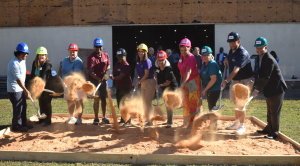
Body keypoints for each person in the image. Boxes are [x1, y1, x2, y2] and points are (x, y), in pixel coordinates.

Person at [252, 37, 287, 139]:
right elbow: (260, 74)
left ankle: (274, 132)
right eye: (257, 48)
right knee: (269, 110)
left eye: (260, 48)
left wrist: (257, 89)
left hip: (276, 89)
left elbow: (266, 76)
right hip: (269, 89)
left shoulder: (268, 59)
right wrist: (254, 84)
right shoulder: (260, 57)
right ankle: (268, 128)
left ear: (266, 47)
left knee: (274, 112)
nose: (258, 50)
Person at [221, 32, 253, 134]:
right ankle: (237, 123)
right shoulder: (232, 51)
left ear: (238, 41)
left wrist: (226, 81)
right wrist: (226, 59)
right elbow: (231, 59)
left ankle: (242, 126)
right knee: (235, 102)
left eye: (233, 43)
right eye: (230, 43)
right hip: (235, 80)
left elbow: (235, 70)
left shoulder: (242, 53)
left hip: (244, 80)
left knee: (241, 103)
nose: (231, 45)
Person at [7, 43, 33, 132]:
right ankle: (17, 126)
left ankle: (24, 123)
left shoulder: (22, 60)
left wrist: (24, 89)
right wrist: (25, 90)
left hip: (21, 88)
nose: (26, 55)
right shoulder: (14, 63)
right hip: (14, 89)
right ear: (18, 53)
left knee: (23, 106)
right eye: (24, 53)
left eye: (27, 53)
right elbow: (18, 79)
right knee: (18, 107)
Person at [177, 38, 202, 127]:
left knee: (193, 102)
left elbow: (188, 72)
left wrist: (182, 84)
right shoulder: (181, 57)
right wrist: (181, 82)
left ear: (189, 48)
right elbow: (181, 71)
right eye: (182, 50)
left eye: (185, 50)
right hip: (184, 81)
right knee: (185, 102)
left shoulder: (191, 58)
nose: (183, 52)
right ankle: (186, 122)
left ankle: (195, 123)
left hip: (193, 82)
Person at [58, 43, 84, 125]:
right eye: (70, 51)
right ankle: (72, 117)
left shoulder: (78, 62)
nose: (72, 53)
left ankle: (79, 118)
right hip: (66, 85)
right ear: (68, 52)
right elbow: (61, 66)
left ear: (77, 52)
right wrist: (59, 73)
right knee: (69, 100)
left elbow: (75, 75)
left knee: (77, 101)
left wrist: (71, 85)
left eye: (74, 51)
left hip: (76, 85)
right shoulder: (66, 59)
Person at [87, 38, 111, 125]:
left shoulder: (106, 55)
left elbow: (108, 66)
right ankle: (96, 118)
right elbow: (91, 72)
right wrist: (98, 79)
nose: (98, 48)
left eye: (100, 47)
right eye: (96, 47)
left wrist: (107, 72)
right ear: (94, 47)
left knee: (103, 98)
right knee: (96, 99)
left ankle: (104, 117)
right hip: (94, 80)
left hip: (103, 80)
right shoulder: (91, 57)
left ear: (102, 47)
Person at [199, 46, 222, 130]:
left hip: (215, 88)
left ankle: (213, 127)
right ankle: (212, 124)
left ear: (210, 55)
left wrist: (204, 90)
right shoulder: (204, 64)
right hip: (209, 89)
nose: (205, 57)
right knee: (211, 106)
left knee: (212, 107)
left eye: (207, 55)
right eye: (203, 55)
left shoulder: (212, 64)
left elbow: (213, 79)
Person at [155, 51, 178, 128]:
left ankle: (170, 122)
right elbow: (156, 73)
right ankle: (169, 120)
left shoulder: (168, 68)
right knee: (166, 104)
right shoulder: (158, 68)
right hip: (164, 87)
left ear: (165, 59)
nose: (160, 62)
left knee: (169, 104)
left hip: (171, 87)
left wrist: (160, 85)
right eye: (159, 60)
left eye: (162, 60)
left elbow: (168, 82)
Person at [134, 43, 156, 126]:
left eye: (142, 51)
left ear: (145, 52)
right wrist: (139, 79)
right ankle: (147, 119)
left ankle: (151, 121)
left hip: (150, 82)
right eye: (139, 51)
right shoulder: (137, 61)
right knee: (144, 102)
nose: (140, 53)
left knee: (147, 102)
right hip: (143, 82)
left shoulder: (147, 61)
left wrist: (138, 82)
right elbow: (141, 74)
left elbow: (146, 75)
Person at [30, 47, 53, 127]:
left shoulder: (47, 64)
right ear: (37, 55)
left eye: (43, 55)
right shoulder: (35, 63)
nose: (41, 56)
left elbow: (44, 77)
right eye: (40, 55)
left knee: (46, 103)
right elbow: (32, 74)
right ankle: (41, 119)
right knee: (41, 102)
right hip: (38, 87)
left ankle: (48, 121)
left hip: (47, 87)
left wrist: (41, 85)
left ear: (46, 56)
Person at [109, 48, 132, 126]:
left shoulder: (126, 66)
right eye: (118, 57)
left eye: (121, 57)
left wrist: (113, 78)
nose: (119, 59)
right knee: (119, 103)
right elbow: (114, 72)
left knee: (122, 102)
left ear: (125, 56)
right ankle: (123, 118)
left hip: (126, 87)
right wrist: (111, 74)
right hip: (119, 87)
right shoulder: (117, 63)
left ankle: (128, 120)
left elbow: (121, 76)